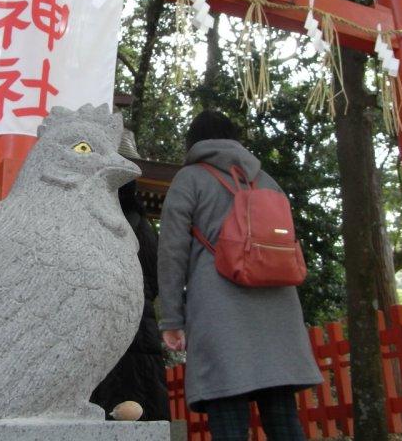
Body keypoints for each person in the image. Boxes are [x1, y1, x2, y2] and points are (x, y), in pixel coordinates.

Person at [158, 110, 322, 441]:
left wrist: (171, 319)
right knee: (283, 416)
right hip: (277, 306)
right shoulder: (265, 180)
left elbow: (172, 251)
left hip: (220, 308)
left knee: (228, 410)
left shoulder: (190, 178)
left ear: (193, 141)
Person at [90, 130, 170, 422]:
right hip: (139, 328)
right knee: (141, 413)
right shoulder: (141, 222)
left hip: (95, 328)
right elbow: (156, 276)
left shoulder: (86, 215)